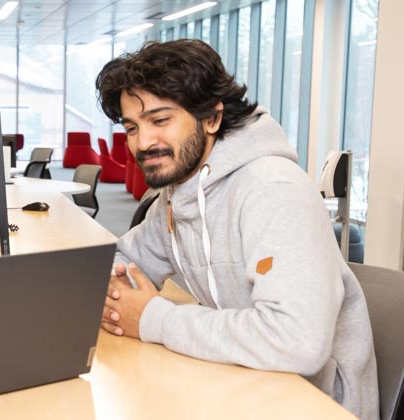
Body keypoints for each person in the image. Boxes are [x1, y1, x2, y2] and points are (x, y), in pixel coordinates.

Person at [95, 39, 378, 419]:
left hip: (313, 403)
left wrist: (152, 318)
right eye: (132, 127)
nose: (143, 142)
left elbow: (298, 342)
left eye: (160, 120)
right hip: (238, 381)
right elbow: (125, 258)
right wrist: (117, 292)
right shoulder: (178, 194)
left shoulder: (273, 190)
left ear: (211, 118)